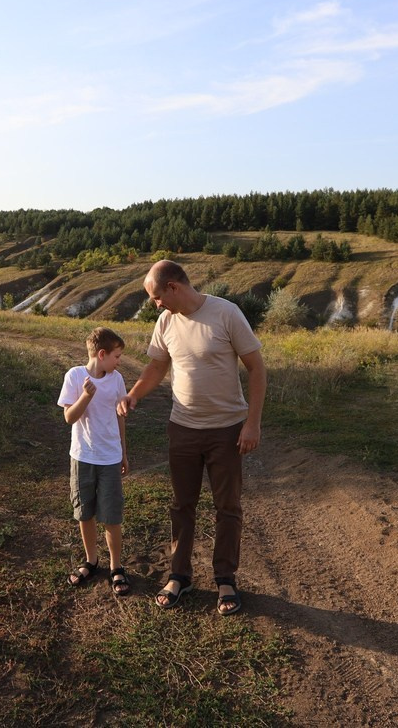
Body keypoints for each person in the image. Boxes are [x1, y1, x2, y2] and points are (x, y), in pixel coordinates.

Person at [118, 260, 265, 615]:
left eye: (156, 297)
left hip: (226, 430)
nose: (156, 304)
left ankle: (225, 579)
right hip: (182, 428)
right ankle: (179, 576)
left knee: (227, 506)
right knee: (181, 505)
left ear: (173, 287)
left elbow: (257, 367)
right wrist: (134, 394)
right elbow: (157, 365)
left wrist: (252, 423)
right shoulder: (166, 322)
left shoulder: (226, 313)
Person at [58, 326, 131, 596]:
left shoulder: (116, 379)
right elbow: (69, 418)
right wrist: (86, 395)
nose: (119, 362)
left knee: (112, 515)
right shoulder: (75, 376)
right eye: (116, 356)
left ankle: (116, 566)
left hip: (110, 458)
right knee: (84, 512)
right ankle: (91, 560)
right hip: (82, 457)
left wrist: (123, 452)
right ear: (102, 354)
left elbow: (120, 417)